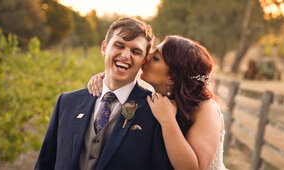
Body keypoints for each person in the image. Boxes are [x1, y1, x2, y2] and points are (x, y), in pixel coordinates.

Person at [35, 17, 173, 170]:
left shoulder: (155, 111)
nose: (126, 55)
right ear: (104, 47)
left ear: (144, 60)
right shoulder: (66, 102)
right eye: (119, 46)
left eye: (136, 51)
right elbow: (44, 164)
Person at [88, 35, 227, 170]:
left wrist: (167, 120)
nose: (146, 57)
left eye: (155, 58)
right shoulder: (152, 96)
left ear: (172, 77)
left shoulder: (205, 108)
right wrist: (104, 81)